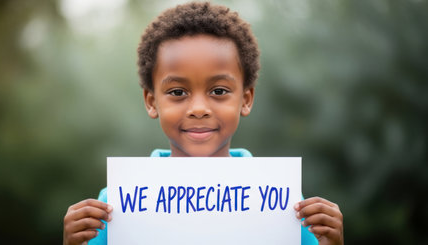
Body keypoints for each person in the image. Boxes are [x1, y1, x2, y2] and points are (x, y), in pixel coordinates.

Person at [63, 2, 344, 245]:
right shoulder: (115, 204)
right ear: (151, 101)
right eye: (177, 92)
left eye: (219, 91)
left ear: (245, 99)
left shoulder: (282, 204)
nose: (198, 109)